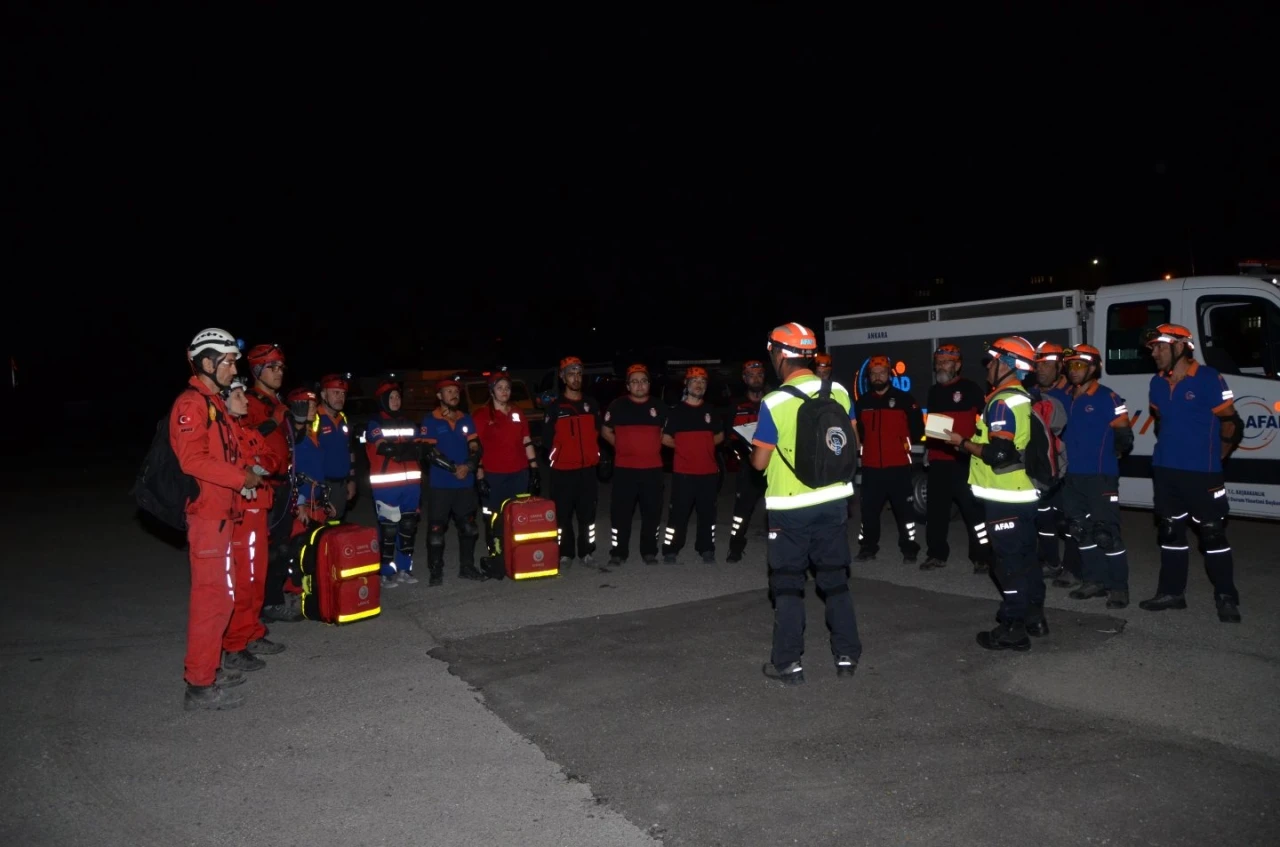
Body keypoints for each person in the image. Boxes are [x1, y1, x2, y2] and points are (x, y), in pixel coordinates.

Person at [753, 322, 861, 686]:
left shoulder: (774, 402)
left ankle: (788, 663)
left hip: (790, 507)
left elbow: (760, 462)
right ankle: (847, 655)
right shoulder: (840, 392)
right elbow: (852, 442)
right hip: (834, 502)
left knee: (787, 585)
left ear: (780, 355)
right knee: (835, 583)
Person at [172, 328, 262, 710]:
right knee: (212, 602)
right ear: (207, 363)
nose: (232, 369)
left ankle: (211, 667)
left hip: (223, 515)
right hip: (208, 519)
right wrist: (242, 478)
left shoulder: (215, 404)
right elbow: (192, 460)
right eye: (227, 362)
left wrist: (246, 473)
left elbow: (224, 455)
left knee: (222, 598)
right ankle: (200, 686)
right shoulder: (192, 405)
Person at [944, 336, 1047, 651]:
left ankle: (1013, 626)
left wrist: (962, 443)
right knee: (1027, 560)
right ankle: (1034, 617)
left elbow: (999, 453)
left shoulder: (1002, 402)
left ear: (1005, 363)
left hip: (1006, 498)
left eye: (991, 360)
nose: (987, 366)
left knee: (1006, 564)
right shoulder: (1021, 397)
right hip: (1024, 493)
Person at [1139, 324, 1244, 622]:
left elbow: (1231, 422)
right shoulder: (1157, 383)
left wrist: (1215, 459)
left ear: (1180, 347)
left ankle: (1226, 596)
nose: (1154, 353)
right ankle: (1172, 593)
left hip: (1203, 473)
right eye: (1152, 348)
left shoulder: (1209, 378)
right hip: (1166, 470)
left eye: (1159, 347)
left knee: (1212, 534)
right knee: (1170, 532)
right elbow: (1161, 421)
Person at [1055, 345, 1134, 608]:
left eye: (1080, 365)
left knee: (1106, 533)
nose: (1074, 370)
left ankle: (1118, 587)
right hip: (1073, 477)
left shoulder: (1107, 397)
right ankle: (1094, 580)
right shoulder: (1067, 397)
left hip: (1100, 476)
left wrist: (1111, 459)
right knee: (1080, 531)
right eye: (1071, 365)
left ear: (1093, 367)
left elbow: (1124, 437)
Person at [221, 376, 287, 673]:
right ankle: (235, 644)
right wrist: (251, 466)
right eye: (238, 396)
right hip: (240, 514)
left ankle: (252, 632)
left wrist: (258, 465)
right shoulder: (226, 434)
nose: (246, 401)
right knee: (241, 582)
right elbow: (234, 468)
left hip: (258, 509)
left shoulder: (245, 432)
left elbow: (275, 460)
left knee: (256, 576)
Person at [243, 343, 302, 624]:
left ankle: (272, 600)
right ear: (257, 370)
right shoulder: (248, 402)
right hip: (260, 487)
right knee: (259, 551)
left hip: (283, 484)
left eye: (281, 368)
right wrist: (273, 422)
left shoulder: (278, 403)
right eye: (272, 367)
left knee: (282, 547)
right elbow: (241, 438)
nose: (279, 373)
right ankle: (258, 608)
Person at [920, 344, 989, 573]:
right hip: (940, 461)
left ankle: (981, 557)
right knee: (936, 512)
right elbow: (935, 426)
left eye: (947, 361)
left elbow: (984, 424)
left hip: (965, 461)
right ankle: (936, 554)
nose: (941, 365)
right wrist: (930, 450)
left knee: (973, 513)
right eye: (938, 362)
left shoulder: (971, 389)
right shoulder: (934, 391)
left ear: (957, 365)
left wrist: (977, 448)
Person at [853, 355, 923, 563]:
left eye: (881, 372)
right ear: (869, 377)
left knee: (905, 512)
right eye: (873, 374)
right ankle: (868, 548)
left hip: (899, 466)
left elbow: (917, 429)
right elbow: (860, 433)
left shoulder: (905, 399)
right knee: (869, 511)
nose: (877, 377)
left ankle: (909, 548)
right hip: (871, 467)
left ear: (889, 374)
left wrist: (904, 444)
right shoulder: (862, 403)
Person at [419, 376, 486, 585]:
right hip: (441, 486)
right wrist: (453, 468)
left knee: (469, 527)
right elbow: (429, 452)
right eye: (449, 391)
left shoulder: (466, 419)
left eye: (456, 391)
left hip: (465, 484)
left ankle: (466, 567)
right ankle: (436, 570)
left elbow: (476, 446)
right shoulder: (430, 420)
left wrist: (468, 466)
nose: (454, 394)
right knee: (437, 531)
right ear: (439, 396)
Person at [601, 364, 666, 565]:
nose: (639, 385)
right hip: (624, 470)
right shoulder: (617, 405)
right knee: (621, 514)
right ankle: (618, 552)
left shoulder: (659, 407)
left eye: (643, 381)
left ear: (649, 384)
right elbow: (605, 431)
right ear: (628, 385)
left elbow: (663, 434)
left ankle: (649, 551)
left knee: (652, 513)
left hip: (652, 470)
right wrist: (622, 446)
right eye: (635, 381)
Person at [472, 368, 540, 557]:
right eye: (500, 388)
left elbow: (526, 440)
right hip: (493, 475)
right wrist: (480, 477)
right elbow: (475, 447)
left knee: (519, 514)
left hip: (519, 473)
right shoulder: (481, 415)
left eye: (507, 388)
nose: (504, 391)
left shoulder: (518, 412)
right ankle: (496, 553)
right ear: (492, 391)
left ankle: (517, 553)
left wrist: (534, 469)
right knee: (494, 516)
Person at [661, 366, 725, 564]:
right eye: (695, 381)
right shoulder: (676, 412)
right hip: (684, 473)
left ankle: (706, 548)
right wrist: (685, 448)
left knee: (707, 513)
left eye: (703, 382)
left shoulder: (711, 411)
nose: (699, 385)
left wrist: (702, 447)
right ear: (686, 385)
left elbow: (720, 435)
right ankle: (671, 548)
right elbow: (664, 438)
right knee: (678, 514)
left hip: (708, 473)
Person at [542, 357, 601, 568]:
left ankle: (587, 551)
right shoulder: (555, 408)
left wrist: (598, 457)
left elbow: (597, 435)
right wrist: (557, 458)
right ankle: (565, 552)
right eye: (570, 374)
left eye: (578, 373)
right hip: (563, 472)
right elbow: (547, 441)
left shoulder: (591, 404)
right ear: (562, 377)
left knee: (588, 515)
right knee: (563, 515)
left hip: (587, 471)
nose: (575, 378)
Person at [364, 379, 423, 588]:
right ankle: (386, 572)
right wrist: (408, 450)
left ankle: (404, 569)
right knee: (389, 530)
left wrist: (406, 450)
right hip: (386, 485)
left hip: (411, 485)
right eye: (392, 398)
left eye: (398, 397)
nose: (396, 401)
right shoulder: (374, 423)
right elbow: (385, 449)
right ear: (383, 401)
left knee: (408, 527)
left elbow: (420, 449)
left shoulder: (409, 422)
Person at [725, 360, 768, 563]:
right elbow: (727, 436)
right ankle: (735, 547)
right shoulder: (736, 405)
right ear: (744, 379)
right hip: (747, 467)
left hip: (774, 465)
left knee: (778, 508)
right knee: (742, 510)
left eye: (759, 374)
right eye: (751, 375)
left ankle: (781, 546)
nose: (756, 378)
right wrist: (739, 455)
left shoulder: (773, 400)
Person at [314, 374, 356, 520]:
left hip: (341, 485)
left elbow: (349, 450)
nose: (340, 397)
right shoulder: (314, 418)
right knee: (320, 531)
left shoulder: (343, 419)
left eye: (343, 394)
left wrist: (351, 480)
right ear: (323, 394)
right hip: (321, 486)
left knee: (336, 528)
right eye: (335, 392)